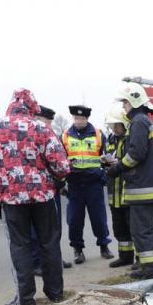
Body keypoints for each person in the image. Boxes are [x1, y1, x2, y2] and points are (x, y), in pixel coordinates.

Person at [0, 89, 71, 305]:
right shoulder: (41, 128)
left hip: (11, 200)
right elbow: (62, 166)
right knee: (49, 244)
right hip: (43, 198)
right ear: (32, 107)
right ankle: (56, 294)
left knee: (19, 247)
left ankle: (25, 299)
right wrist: (54, 181)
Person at [106, 83, 153, 279]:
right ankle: (148, 267)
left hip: (142, 188)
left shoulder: (139, 122)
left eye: (125, 102)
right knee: (142, 230)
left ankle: (151, 271)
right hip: (145, 187)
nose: (124, 107)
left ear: (134, 101)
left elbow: (136, 154)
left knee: (142, 231)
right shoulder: (144, 121)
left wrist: (117, 168)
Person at [63, 105, 112, 265]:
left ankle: (104, 246)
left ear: (87, 119)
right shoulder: (64, 136)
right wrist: (62, 183)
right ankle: (78, 250)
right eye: (76, 118)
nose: (79, 121)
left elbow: (108, 158)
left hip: (93, 184)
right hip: (75, 185)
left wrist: (102, 177)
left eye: (82, 119)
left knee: (99, 218)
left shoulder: (98, 135)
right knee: (75, 220)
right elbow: (59, 161)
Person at [33, 105, 71, 272]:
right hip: (38, 189)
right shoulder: (31, 135)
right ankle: (38, 262)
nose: (48, 125)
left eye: (49, 122)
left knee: (54, 227)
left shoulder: (50, 134)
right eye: (46, 121)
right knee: (37, 229)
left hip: (52, 188)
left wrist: (61, 182)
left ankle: (54, 259)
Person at [101, 106, 135, 268]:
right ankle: (125, 257)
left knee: (132, 228)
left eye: (117, 125)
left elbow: (132, 160)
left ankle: (138, 258)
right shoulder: (111, 139)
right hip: (114, 194)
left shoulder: (130, 139)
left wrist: (118, 163)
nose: (114, 128)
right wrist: (104, 162)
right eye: (112, 125)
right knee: (119, 228)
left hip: (127, 193)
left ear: (124, 124)